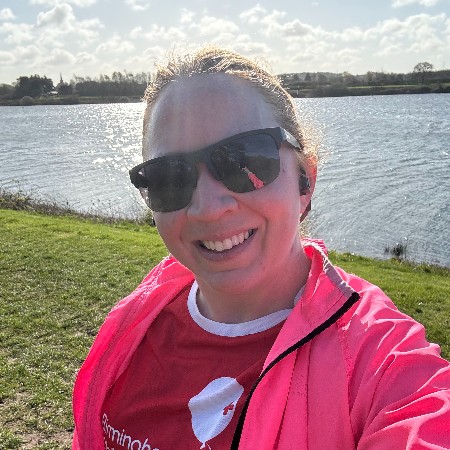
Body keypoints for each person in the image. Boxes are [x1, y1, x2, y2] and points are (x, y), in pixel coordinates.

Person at [72, 45, 450, 450]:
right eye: (169, 177)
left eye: (244, 161)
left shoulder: (378, 359)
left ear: (305, 181)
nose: (208, 207)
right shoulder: (136, 324)